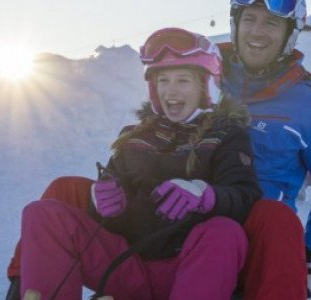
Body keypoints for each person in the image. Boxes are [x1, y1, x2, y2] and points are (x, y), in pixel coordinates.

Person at [14, 27, 261, 299]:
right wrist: (102, 203)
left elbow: (245, 197)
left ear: (206, 86)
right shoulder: (133, 138)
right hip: (129, 266)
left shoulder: (227, 135)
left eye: (183, 80)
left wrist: (206, 195)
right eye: (163, 80)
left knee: (224, 232)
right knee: (41, 213)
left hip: (188, 269)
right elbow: (110, 207)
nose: (171, 90)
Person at [221, 0, 311, 298]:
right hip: (194, 233)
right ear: (235, 24)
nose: (256, 31)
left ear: (289, 34)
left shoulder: (310, 109)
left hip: (260, 246)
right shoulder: (203, 80)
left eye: (270, 23)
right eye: (249, 19)